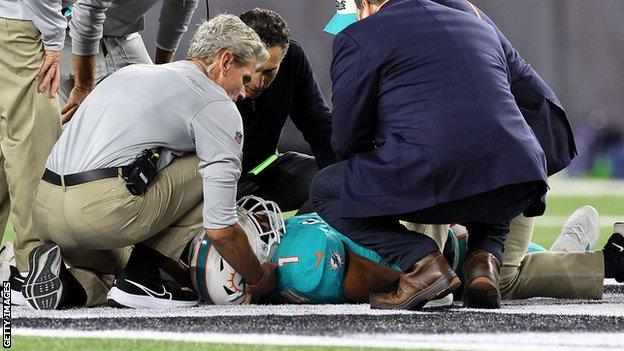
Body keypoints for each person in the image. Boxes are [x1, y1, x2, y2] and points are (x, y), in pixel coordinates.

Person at [20, 15, 274, 310]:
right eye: (244, 79)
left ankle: (65, 288)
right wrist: (258, 278)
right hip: (100, 214)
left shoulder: (132, 72)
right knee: (212, 165)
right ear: (225, 60)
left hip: (47, 213)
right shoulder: (216, 103)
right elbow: (221, 227)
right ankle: (143, 279)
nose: (243, 92)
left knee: (110, 278)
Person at [312, 0, 549, 310]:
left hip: (434, 174)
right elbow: (538, 96)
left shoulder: (358, 36)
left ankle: (422, 262)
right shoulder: (478, 24)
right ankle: (484, 259)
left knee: (324, 190)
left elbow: (346, 140)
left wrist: (382, 154)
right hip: (517, 178)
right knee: (490, 163)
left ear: (366, 4)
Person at [235, 8, 337, 211]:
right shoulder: (214, 72)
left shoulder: (293, 60)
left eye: (269, 71)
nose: (257, 82)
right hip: (214, 184)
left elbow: (319, 128)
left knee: (338, 180)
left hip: (265, 172)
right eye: (254, 69)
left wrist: (343, 181)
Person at [0, 0, 64, 304]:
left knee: (6, 149)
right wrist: (54, 40)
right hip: (17, 31)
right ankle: (32, 269)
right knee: (32, 147)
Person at [59, 0, 199, 123]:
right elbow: (87, 14)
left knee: (159, 105)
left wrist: (161, 74)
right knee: (74, 118)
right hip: (67, 32)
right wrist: (82, 86)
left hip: (123, 35)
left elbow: (178, 13)